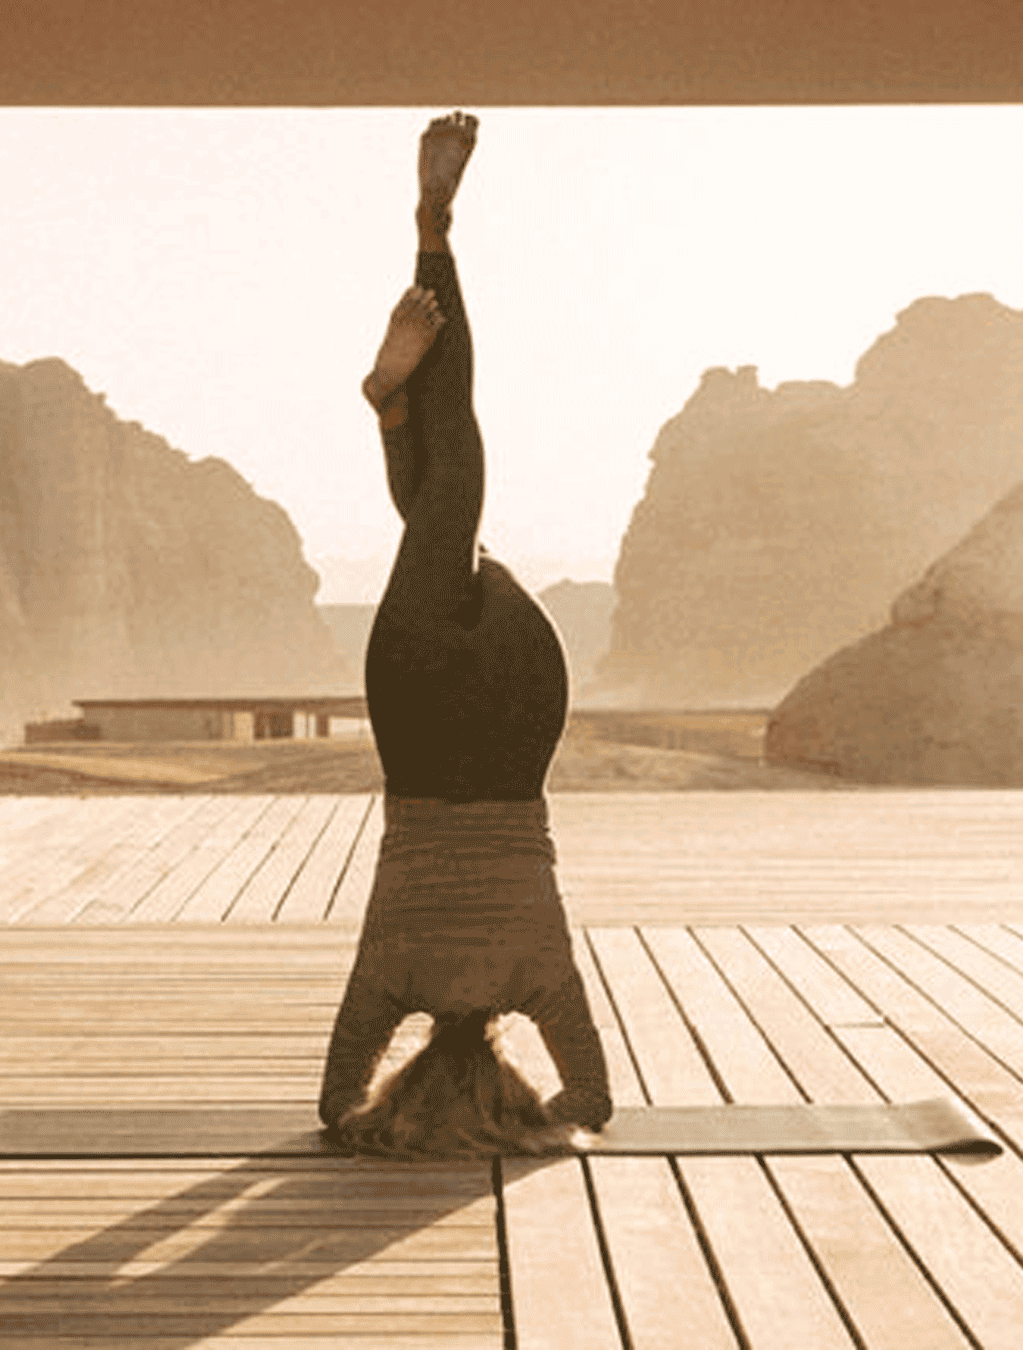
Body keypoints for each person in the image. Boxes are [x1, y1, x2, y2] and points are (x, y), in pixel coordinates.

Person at [318, 111, 614, 1159]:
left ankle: (431, 252)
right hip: (413, 727)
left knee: (456, 499)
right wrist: (378, 1120)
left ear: (497, 1070)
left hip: (513, 722)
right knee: (442, 509)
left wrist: (528, 1121)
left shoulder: (541, 979)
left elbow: (595, 1101)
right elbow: (329, 1107)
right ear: (418, 1073)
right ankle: (395, 400)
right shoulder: (386, 980)